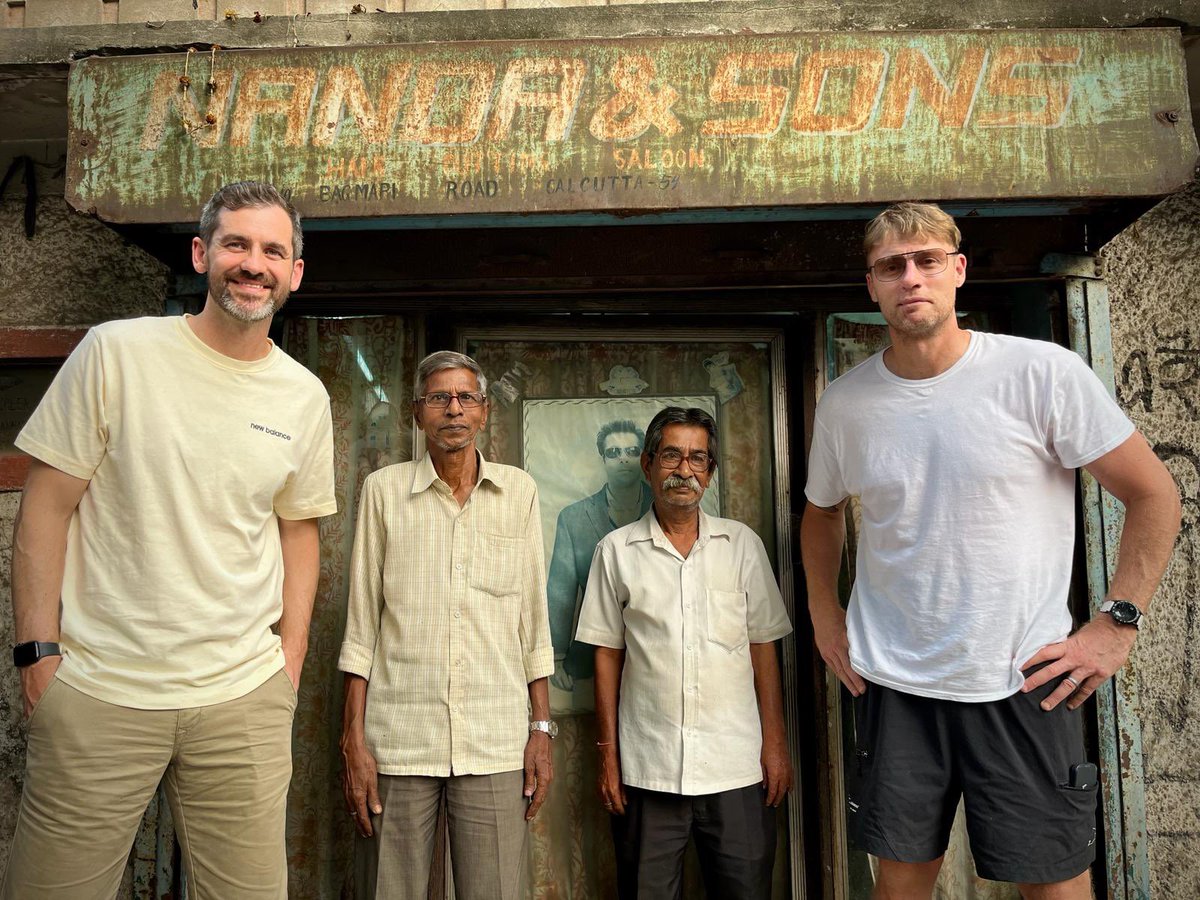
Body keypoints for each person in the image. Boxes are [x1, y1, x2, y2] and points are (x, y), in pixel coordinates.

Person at [801, 202, 1182, 899]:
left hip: (1024, 677)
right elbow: (820, 512)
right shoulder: (846, 403)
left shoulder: (1040, 373)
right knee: (899, 885)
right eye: (892, 266)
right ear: (872, 285)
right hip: (895, 681)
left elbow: (1156, 495)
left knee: (1055, 886)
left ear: (958, 271)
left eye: (926, 260)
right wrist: (825, 614)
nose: (910, 276)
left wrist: (1115, 625)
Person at [3, 181, 336, 899]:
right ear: (201, 254)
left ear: (295, 273)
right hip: (98, 687)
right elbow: (44, 508)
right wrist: (37, 653)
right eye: (236, 244)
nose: (254, 264)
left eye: (273, 251)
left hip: (242, 695)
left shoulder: (303, 396)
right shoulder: (114, 353)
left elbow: (298, 529)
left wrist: (291, 655)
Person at [338, 350, 555, 900]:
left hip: (494, 738)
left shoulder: (519, 493)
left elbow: (533, 621)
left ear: (484, 412)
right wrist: (353, 739)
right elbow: (362, 625)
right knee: (389, 890)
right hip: (398, 739)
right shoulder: (384, 492)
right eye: (439, 398)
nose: (453, 409)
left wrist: (541, 729)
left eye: (465, 398)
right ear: (417, 413)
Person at [576, 406, 794, 900]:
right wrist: (608, 757)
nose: (684, 470)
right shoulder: (616, 551)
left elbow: (764, 646)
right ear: (648, 464)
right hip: (648, 770)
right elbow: (606, 655)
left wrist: (775, 745)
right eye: (672, 455)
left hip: (737, 767)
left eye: (698, 459)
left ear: (711, 473)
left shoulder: (741, 546)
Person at [547, 418, 653, 691]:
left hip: (658, 653)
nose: (623, 460)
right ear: (602, 458)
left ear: (643, 458)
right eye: (613, 452)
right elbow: (560, 592)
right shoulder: (573, 518)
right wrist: (557, 657)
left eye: (632, 451)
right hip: (589, 658)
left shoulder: (666, 507)